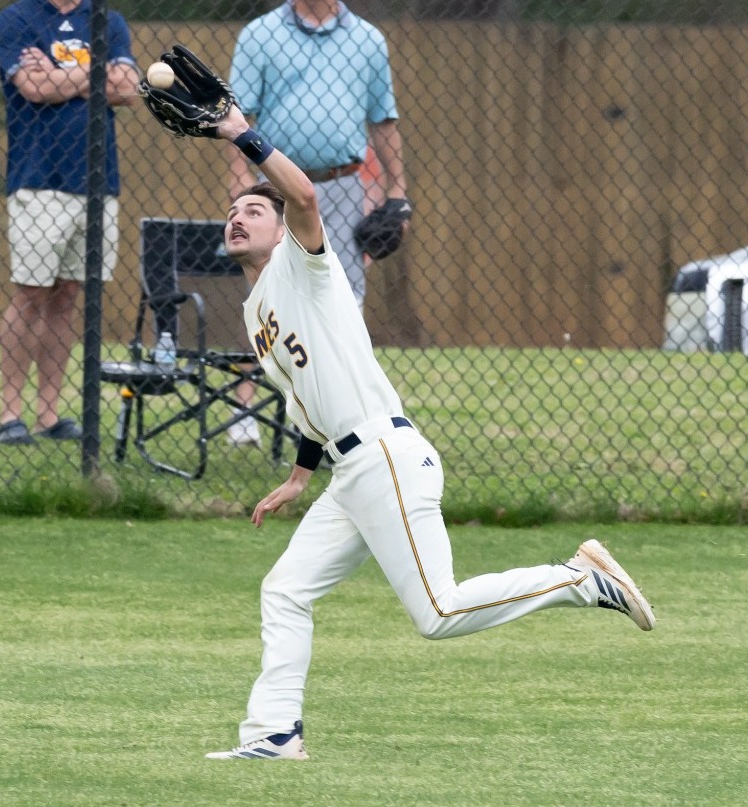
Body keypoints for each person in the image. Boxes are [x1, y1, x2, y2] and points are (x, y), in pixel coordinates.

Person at [196, 100, 655, 761]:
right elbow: (309, 394)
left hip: (384, 456)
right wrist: (299, 474)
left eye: (252, 211)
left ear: (280, 230)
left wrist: (241, 135)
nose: (238, 217)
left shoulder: (305, 267)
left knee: (438, 612)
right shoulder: (254, 307)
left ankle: (579, 578)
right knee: (285, 588)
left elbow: (300, 192)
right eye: (233, 213)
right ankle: (272, 734)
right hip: (351, 473)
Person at [222, 0, 409, 446]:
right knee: (267, 301)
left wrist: (398, 192)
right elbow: (237, 120)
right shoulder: (260, 34)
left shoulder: (367, 39)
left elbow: (382, 121)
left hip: (341, 185)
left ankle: (334, 422)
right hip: (276, 189)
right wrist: (241, 186)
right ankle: (242, 410)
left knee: (345, 302)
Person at [0, 0, 141, 445]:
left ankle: (49, 414)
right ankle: (10, 415)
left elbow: (129, 88)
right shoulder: (18, 19)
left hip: (97, 180)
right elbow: (33, 90)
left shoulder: (107, 20)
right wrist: (98, 73)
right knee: (31, 291)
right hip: (38, 177)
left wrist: (60, 77)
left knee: (68, 294)